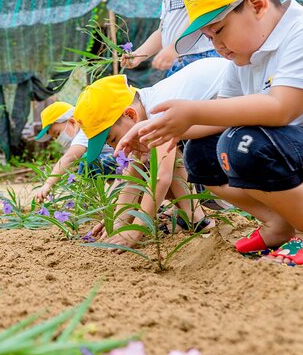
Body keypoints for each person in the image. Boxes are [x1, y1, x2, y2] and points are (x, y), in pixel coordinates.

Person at [118, 0, 303, 267]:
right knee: (200, 152)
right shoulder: (243, 61)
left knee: (243, 143)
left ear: (257, 5)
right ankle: (278, 223)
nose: (218, 44)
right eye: (209, 38)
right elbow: (220, 115)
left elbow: (281, 109)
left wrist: (193, 112)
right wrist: (161, 131)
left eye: (219, 30)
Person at [73, 57, 230, 248]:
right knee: (151, 158)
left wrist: (136, 230)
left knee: (162, 160)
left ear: (130, 114)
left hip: (235, 166)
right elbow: (132, 175)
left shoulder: (158, 109)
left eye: (113, 139)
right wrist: (117, 223)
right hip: (219, 149)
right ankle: (193, 218)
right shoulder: (145, 108)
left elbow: (160, 178)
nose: (117, 148)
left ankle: (196, 218)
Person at [33, 102, 119, 203]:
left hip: (122, 159)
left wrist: (48, 184)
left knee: (89, 163)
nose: (58, 140)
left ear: (73, 122)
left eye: (58, 134)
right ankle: (97, 200)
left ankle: (90, 202)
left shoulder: (84, 129)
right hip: (116, 160)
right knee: (89, 165)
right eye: (55, 138)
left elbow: (69, 158)